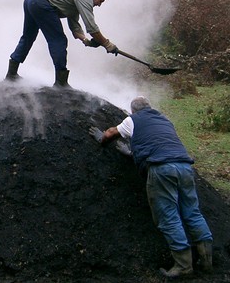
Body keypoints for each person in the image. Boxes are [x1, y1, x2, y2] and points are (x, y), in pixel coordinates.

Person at [89, 96, 213, 278]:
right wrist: (134, 154)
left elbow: (110, 134)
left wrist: (102, 137)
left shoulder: (133, 120)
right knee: (192, 213)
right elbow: (157, 142)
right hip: (185, 167)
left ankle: (184, 266)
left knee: (168, 216)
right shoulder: (164, 120)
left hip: (162, 170)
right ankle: (207, 261)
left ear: (133, 110)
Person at [6, 0, 119, 87]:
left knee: (28, 36)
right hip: (41, 2)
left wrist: (86, 41)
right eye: (101, 0)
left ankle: (11, 73)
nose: (99, 5)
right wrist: (107, 44)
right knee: (58, 40)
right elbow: (92, 28)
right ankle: (61, 82)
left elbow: (74, 26)